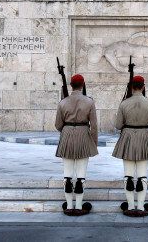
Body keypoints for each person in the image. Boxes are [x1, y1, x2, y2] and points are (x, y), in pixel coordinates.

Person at [112, 75, 148, 216]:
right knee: (142, 176)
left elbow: (118, 125)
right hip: (144, 137)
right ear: (143, 87)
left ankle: (131, 206)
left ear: (131, 87)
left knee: (128, 175)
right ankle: (141, 206)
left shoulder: (124, 103)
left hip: (127, 138)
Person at [54, 74, 98, 215]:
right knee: (81, 175)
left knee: (67, 175)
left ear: (71, 85)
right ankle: (78, 206)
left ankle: (68, 205)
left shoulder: (63, 102)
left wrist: (67, 130)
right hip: (84, 135)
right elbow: (94, 126)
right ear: (83, 84)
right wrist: (93, 143)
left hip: (67, 135)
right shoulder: (89, 102)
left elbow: (57, 125)